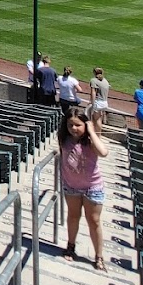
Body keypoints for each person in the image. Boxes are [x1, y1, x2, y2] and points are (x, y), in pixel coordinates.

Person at [59, 110, 110, 271]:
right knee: (73, 216)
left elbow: (103, 152)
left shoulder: (91, 140)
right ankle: (70, 245)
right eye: (70, 125)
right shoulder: (63, 138)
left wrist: (91, 130)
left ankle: (99, 256)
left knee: (93, 221)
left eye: (78, 125)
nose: (73, 128)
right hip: (71, 186)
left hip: (92, 187)